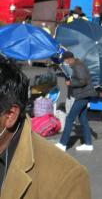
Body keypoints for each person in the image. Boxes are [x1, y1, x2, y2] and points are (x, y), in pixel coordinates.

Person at [0, 56, 91, 199]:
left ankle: (77, 142)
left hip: (81, 98)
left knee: (75, 121)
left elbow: (84, 81)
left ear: (10, 115)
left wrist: (71, 82)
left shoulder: (67, 179)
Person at [55, 51, 96, 152]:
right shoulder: (77, 65)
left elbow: (83, 81)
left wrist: (71, 83)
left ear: (68, 58)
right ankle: (88, 143)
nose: (65, 63)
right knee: (83, 119)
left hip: (83, 95)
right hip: (84, 95)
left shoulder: (78, 66)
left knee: (69, 119)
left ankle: (63, 144)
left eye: (65, 60)